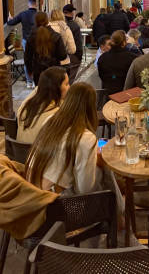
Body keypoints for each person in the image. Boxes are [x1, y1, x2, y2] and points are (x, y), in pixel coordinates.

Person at [25, 83, 124, 211]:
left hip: (32, 194)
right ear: (91, 108)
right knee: (105, 170)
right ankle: (120, 212)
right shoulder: (84, 138)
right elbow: (86, 189)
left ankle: (120, 211)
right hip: (58, 206)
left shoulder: (50, 120)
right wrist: (98, 164)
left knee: (101, 168)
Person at [17, 67, 69, 144]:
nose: (69, 87)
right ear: (56, 88)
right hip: (38, 154)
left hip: (19, 151)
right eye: (67, 84)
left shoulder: (29, 102)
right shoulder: (55, 114)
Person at [24, 12, 68, 86]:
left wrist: (30, 70)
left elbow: (27, 57)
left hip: (38, 71)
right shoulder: (56, 36)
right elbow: (62, 55)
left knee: (41, 93)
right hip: (54, 70)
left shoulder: (31, 37)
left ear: (35, 21)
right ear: (47, 21)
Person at [7, 0, 38, 89]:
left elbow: (11, 23)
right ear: (35, 4)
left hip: (26, 41)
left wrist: (10, 18)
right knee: (37, 60)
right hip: (37, 40)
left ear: (28, 4)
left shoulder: (23, 14)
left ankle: (29, 82)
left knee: (27, 60)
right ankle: (36, 81)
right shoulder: (39, 15)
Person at [97, 30, 138, 95]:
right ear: (124, 43)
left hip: (108, 91)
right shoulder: (132, 57)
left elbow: (101, 75)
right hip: (127, 93)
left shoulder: (102, 57)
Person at [63, 4, 83, 81]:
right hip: (73, 54)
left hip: (62, 55)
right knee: (70, 77)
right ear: (71, 13)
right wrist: (79, 55)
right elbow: (78, 42)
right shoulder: (74, 26)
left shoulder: (60, 25)